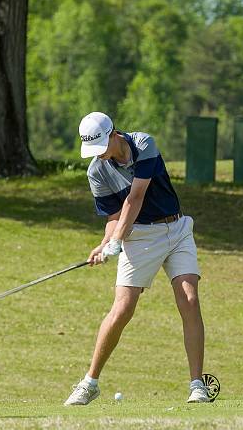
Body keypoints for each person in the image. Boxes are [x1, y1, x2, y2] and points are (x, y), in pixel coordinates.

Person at [64, 112, 209, 406]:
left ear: (114, 134)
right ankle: (90, 383)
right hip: (140, 237)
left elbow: (136, 197)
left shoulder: (144, 144)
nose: (100, 155)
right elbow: (114, 216)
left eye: (102, 146)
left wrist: (117, 239)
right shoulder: (96, 172)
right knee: (122, 308)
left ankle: (198, 386)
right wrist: (105, 242)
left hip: (177, 229)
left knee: (189, 300)